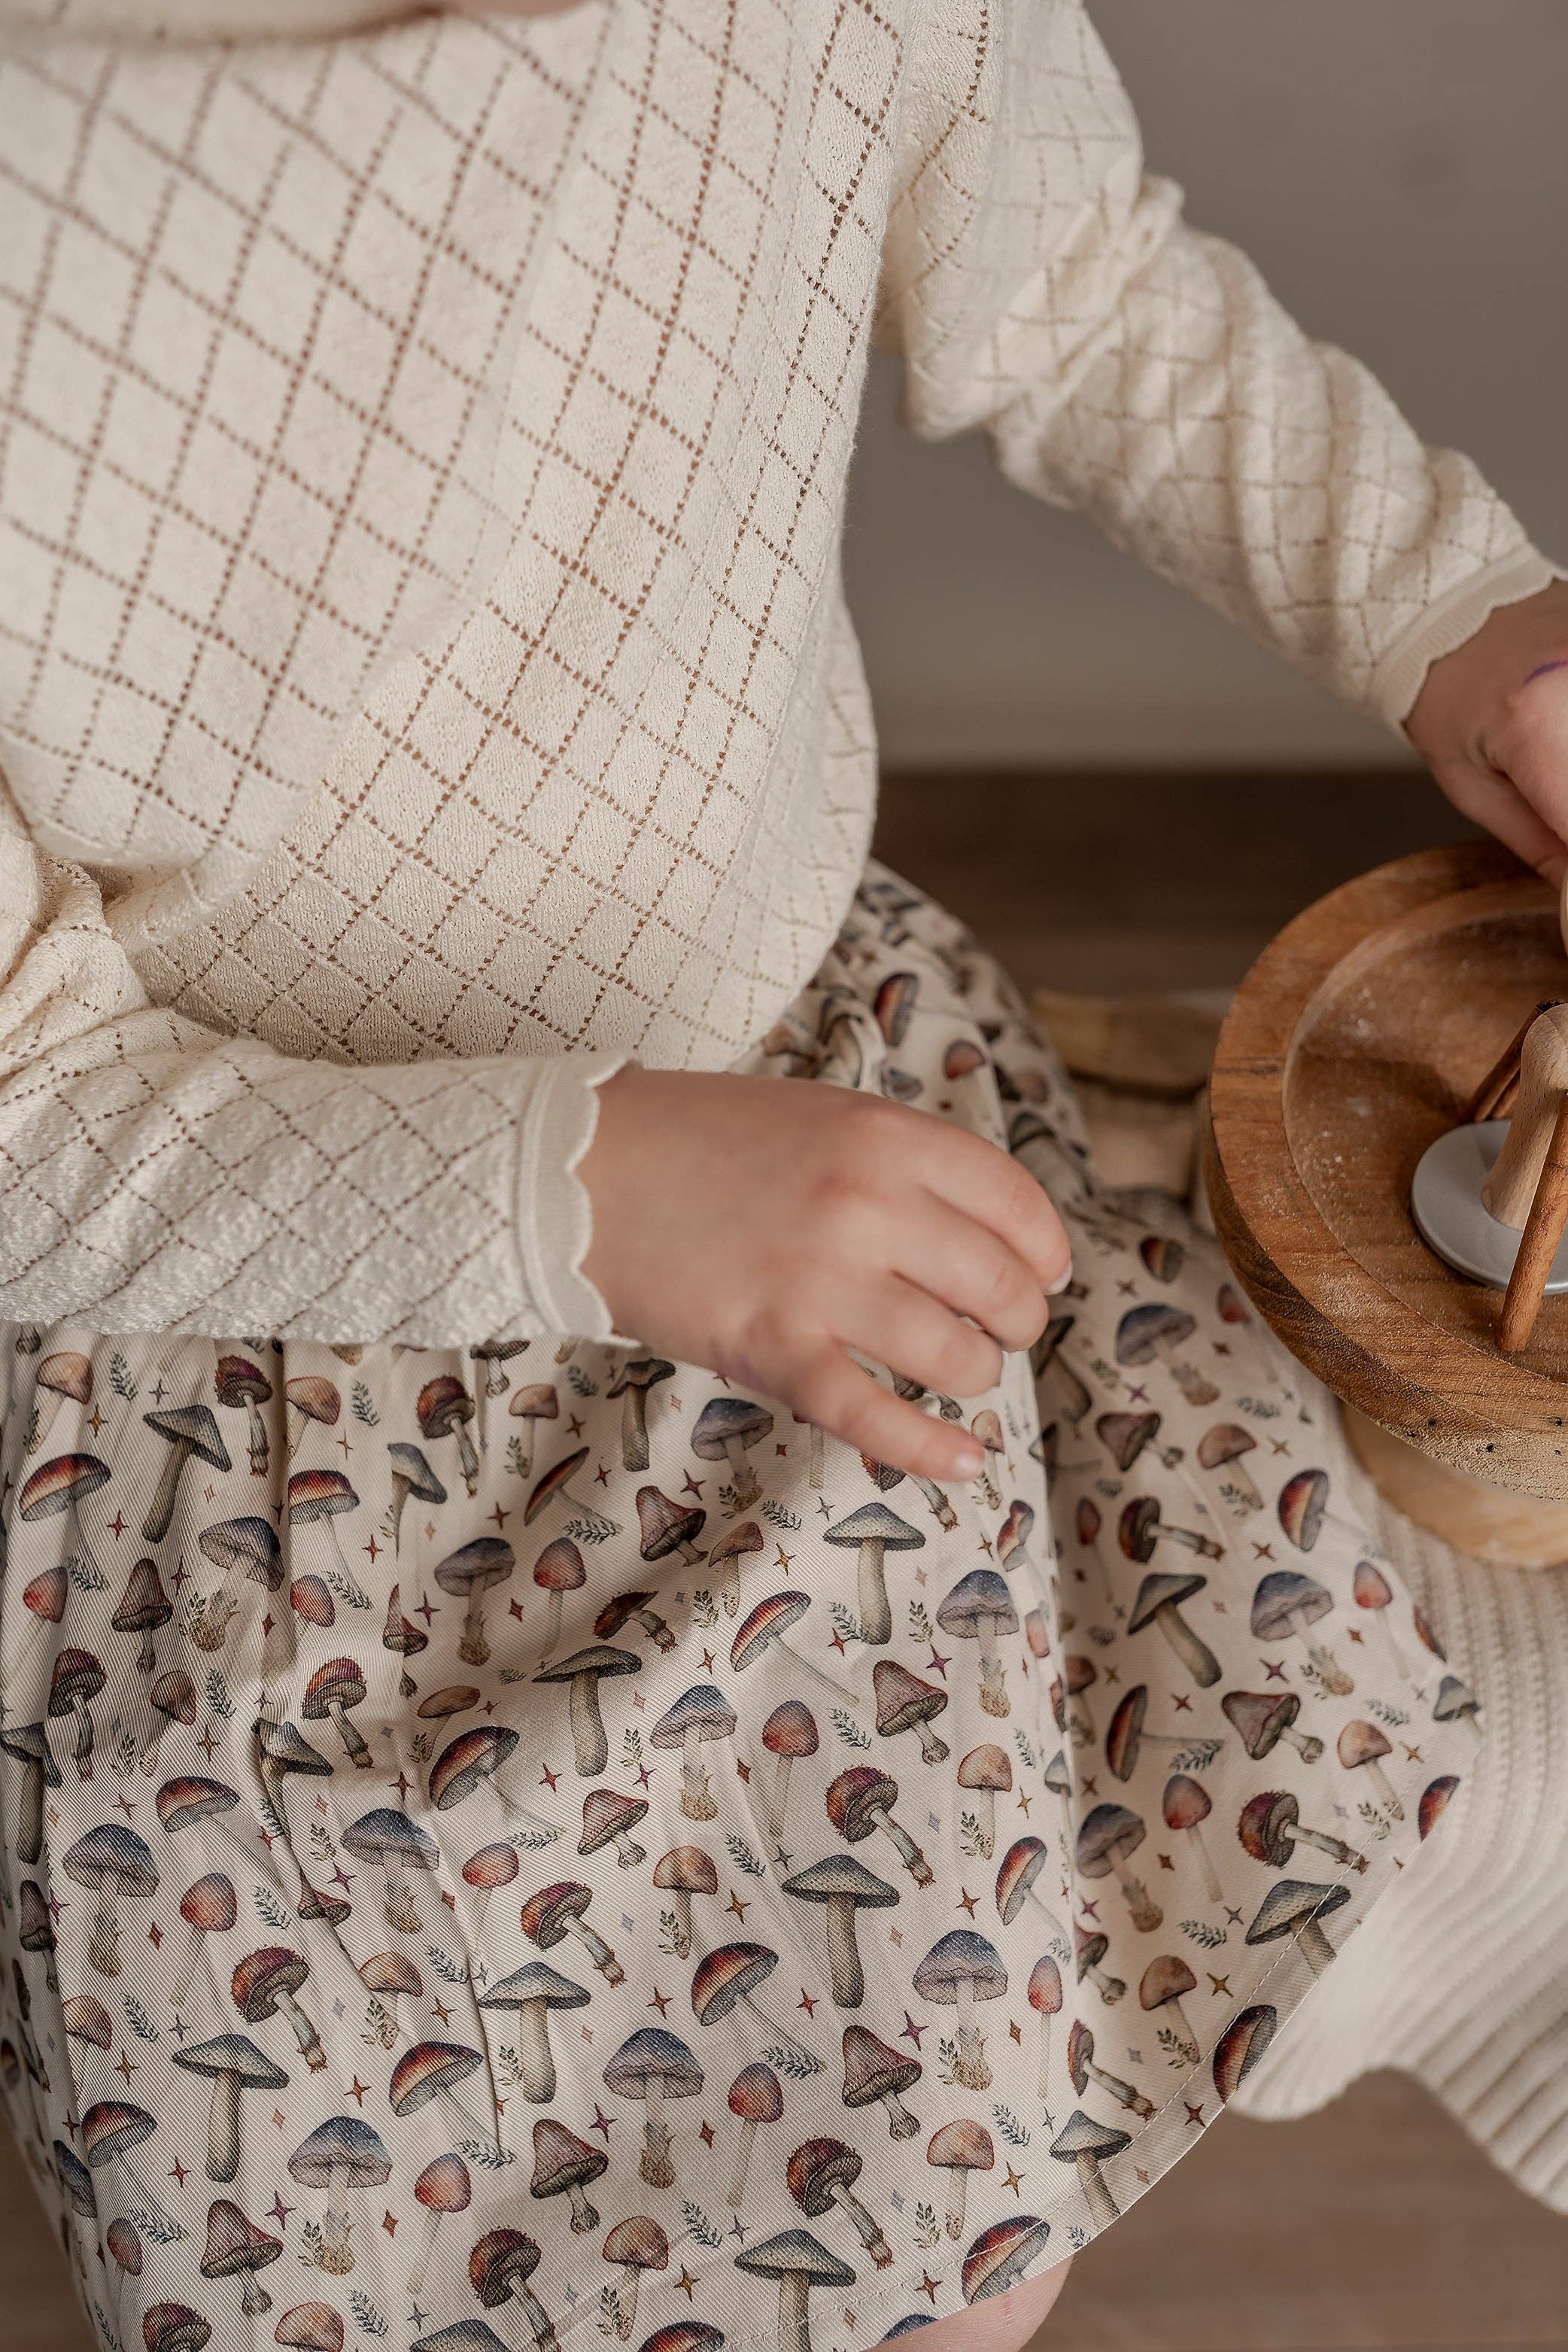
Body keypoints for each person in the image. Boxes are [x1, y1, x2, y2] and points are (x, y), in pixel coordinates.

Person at [0, 2, 1563, 2347]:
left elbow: (1076, 283)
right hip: (226, 1336)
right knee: (390, 2202)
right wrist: (588, 1184)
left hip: (805, 1101)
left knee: (947, 2191)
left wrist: (1451, 612)